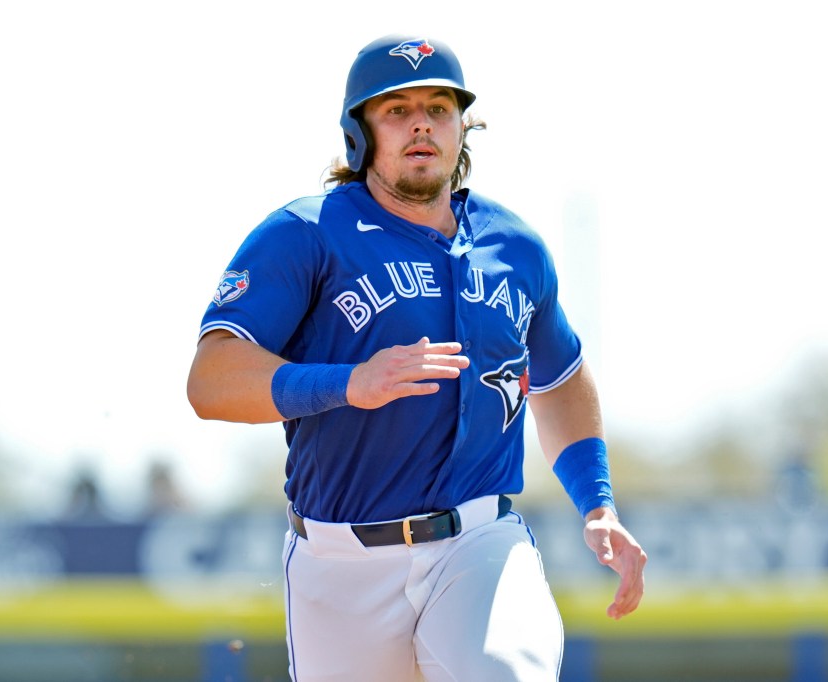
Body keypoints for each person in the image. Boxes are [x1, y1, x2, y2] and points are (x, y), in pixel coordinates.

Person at [187, 34, 646, 682]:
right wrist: (349, 382)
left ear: (464, 128)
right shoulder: (306, 232)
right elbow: (212, 381)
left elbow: (562, 379)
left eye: (439, 105)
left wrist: (598, 506)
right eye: (396, 109)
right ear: (361, 133)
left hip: (479, 542)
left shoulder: (514, 246)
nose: (422, 122)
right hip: (338, 566)